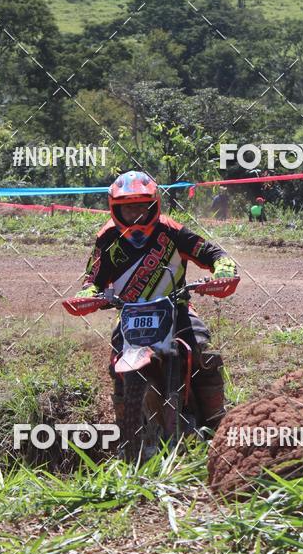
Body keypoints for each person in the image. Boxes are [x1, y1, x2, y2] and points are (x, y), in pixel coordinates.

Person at [75, 171, 237, 430]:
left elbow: (211, 252)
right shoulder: (106, 238)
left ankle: (217, 423)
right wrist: (87, 294)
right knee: (116, 366)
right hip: (130, 313)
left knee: (203, 352)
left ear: (154, 205)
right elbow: (92, 277)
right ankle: (126, 433)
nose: (136, 215)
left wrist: (223, 269)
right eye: (128, 209)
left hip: (176, 307)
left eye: (142, 207)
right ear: (115, 209)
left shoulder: (170, 230)